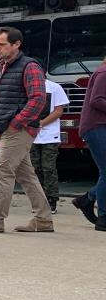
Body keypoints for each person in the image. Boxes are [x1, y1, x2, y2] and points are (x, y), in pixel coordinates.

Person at [0, 26, 54, 234]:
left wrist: (16, 122)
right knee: (26, 175)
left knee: (2, 170)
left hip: (17, 129)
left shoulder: (29, 66)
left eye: (2, 44)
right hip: (7, 128)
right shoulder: (2, 67)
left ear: (16, 44)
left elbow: (38, 99)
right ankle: (43, 219)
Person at [29, 78, 69, 214]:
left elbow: (59, 111)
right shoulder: (27, 86)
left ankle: (51, 199)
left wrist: (41, 123)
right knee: (34, 168)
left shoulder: (54, 87)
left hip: (50, 135)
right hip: (31, 135)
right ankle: (38, 200)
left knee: (48, 167)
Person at [76, 56, 106, 231]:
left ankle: (88, 199)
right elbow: (96, 100)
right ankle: (103, 217)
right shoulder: (103, 72)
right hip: (96, 127)